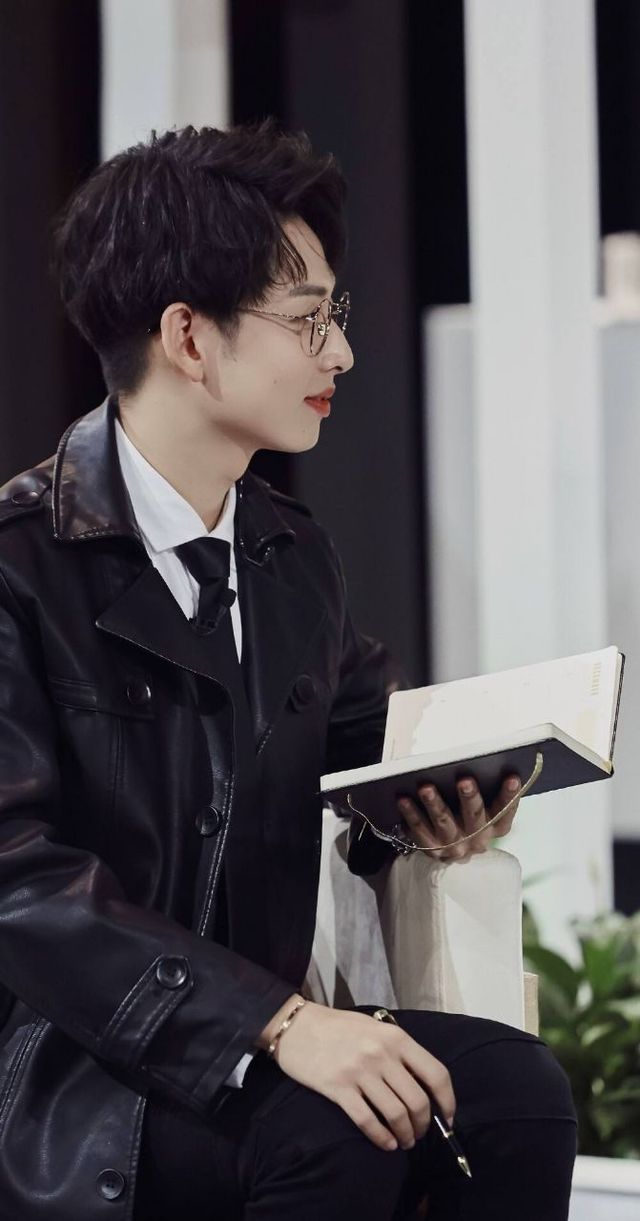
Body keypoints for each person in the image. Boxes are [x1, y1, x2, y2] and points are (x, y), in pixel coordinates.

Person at [0, 121, 576, 1221]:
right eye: (308, 319)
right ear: (189, 336)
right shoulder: (20, 565)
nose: (340, 354)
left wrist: (439, 803)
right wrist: (276, 1022)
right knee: (338, 1134)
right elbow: (16, 883)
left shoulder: (287, 554)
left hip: (255, 1039)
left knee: (515, 1095)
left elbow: (363, 744)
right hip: (69, 1067)